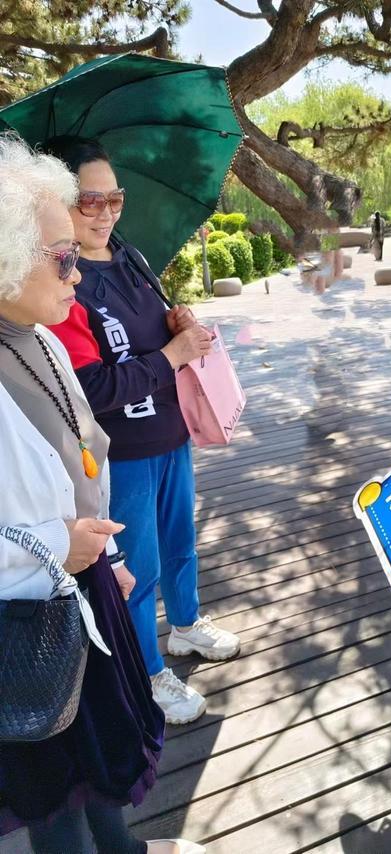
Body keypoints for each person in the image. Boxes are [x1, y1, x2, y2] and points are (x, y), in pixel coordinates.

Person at [0, 135, 204, 854]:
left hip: (89, 589)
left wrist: (106, 551)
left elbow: (84, 458)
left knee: (103, 764)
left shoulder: (44, 336)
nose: (76, 273)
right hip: (21, 630)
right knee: (52, 796)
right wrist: (65, 545)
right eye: (60, 255)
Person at [44, 136, 240, 726]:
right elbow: (93, 388)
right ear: (58, 201)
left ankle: (184, 625)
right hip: (117, 452)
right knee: (137, 568)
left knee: (180, 543)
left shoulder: (128, 254)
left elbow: (153, 331)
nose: (105, 213)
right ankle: (146, 669)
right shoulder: (59, 283)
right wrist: (174, 354)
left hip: (170, 433)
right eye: (89, 201)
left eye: (115, 198)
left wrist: (175, 323)